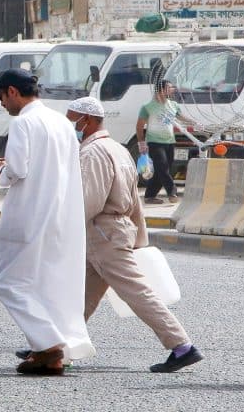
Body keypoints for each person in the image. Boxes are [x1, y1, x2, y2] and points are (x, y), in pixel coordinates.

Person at [68, 97, 203, 373]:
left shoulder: (93, 153)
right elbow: (135, 198)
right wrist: (138, 235)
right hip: (111, 231)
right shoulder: (116, 148)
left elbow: (89, 201)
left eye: (73, 119)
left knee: (137, 292)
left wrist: (63, 228)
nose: (71, 125)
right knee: (80, 296)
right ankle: (58, 346)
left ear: (89, 121)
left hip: (102, 232)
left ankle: (182, 346)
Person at [0, 68, 95, 375]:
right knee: (48, 284)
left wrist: (1, 170)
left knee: (8, 281)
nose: (2, 105)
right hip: (61, 213)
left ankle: (50, 344)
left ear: (11, 91)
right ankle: (47, 353)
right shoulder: (62, 122)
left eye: (1, 97)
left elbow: (17, 169)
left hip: (29, 213)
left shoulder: (23, 122)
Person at [137, 80, 194, 205]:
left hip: (170, 142)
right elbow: (139, 126)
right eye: (169, 87)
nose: (172, 89)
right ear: (160, 90)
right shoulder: (147, 107)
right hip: (154, 142)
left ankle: (150, 196)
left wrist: (194, 123)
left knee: (161, 170)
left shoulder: (173, 105)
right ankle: (172, 192)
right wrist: (141, 143)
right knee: (162, 167)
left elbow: (181, 117)